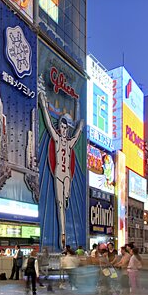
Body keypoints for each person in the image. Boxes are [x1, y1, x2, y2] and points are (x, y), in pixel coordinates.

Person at [38, 90, 84, 250]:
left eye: (65, 127)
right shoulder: (57, 139)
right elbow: (49, 125)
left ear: (67, 128)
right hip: (58, 175)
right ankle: (62, 234)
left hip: (67, 176)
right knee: (60, 205)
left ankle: (67, 197)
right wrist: (44, 106)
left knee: (65, 198)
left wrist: (80, 127)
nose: (63, 129)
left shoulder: (69, 143)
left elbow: (76, 137)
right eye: (62, 126)